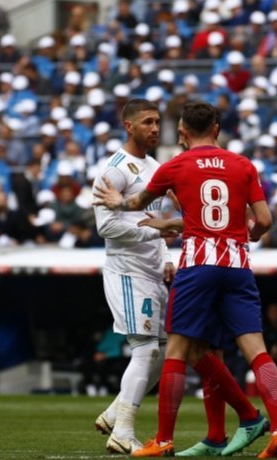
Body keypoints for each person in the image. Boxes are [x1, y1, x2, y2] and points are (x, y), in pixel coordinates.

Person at [94, 100, 277, 459]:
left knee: (177, 350)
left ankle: (163, 439)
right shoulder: (243, 164)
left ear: (182, 132)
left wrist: (116, 202)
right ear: (216, 129)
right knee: (254, 352)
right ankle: (276, 429)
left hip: (198, 266)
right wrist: (252, 233)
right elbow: (263, 220)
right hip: (237, 265)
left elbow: (136, 203)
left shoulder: (175, 165)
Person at [90, 99, 174, 454]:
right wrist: (156, 233)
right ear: (129, 126)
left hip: (153, 269)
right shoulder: (113, 171)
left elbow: (155, 217)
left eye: (157, 122)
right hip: (126, 269)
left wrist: (165, 255)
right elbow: (106, 226)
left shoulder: (155, 167)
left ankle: (114, 414)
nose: (154, 128)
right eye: (147, 122)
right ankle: (123, 431)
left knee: (165, 349)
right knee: (145, 349)